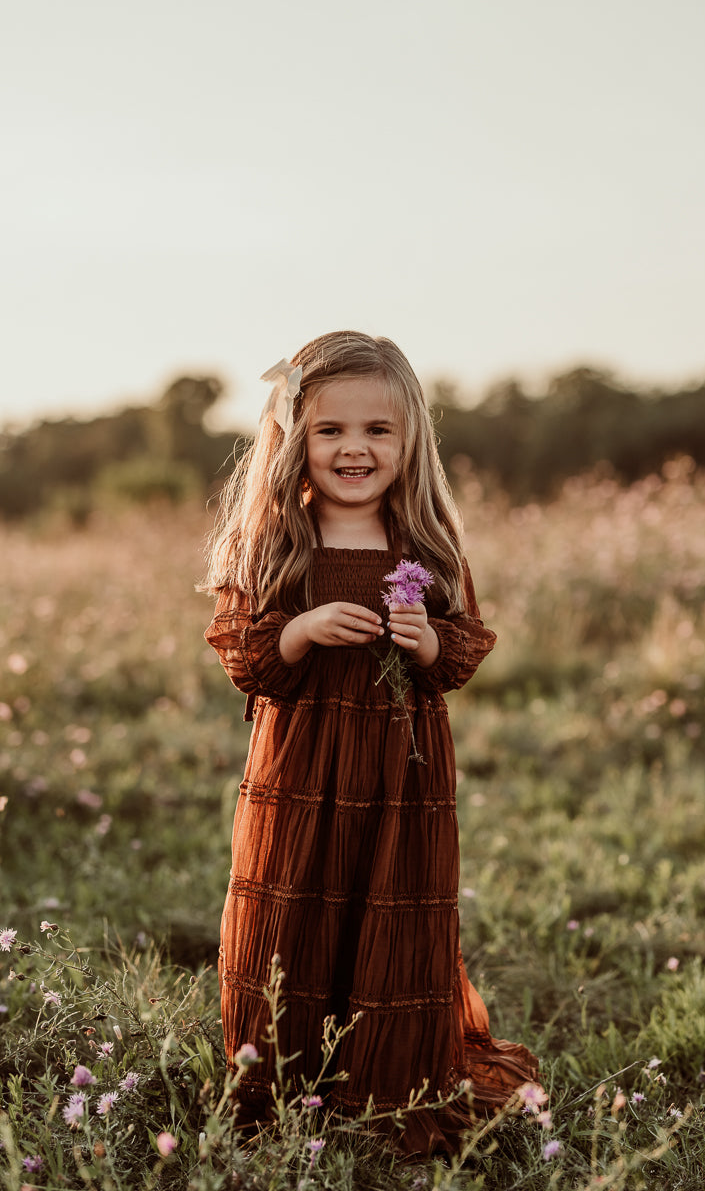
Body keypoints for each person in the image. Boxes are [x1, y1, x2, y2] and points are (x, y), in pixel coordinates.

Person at [201, 330, 540, 1155]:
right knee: (296, 912)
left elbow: (456, 652)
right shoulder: (277, 543)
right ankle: (282, 1088)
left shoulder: (425, 545)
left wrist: (422, 639)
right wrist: (304, 629)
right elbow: (245, 655)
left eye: (377, 431)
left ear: (410, 438)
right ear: (295, 440)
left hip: (400, 776)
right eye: (330, 431)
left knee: (387, 912)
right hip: (301, 772)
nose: (354, 448)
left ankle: (388, 1092)